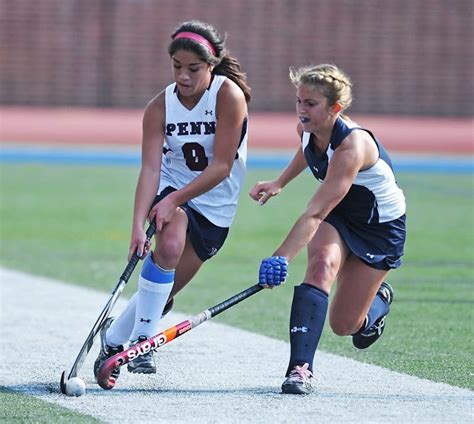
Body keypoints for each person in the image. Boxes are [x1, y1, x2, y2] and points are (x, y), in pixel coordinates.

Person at [94, 20, 251, 382]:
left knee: (159, 295)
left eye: (193, 69)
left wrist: (175, 200)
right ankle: (143, 345)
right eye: (177, 67)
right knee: (169, 241)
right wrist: (138, 225)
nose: (183, 76)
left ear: (211, 65)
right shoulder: (159, 107)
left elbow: (223, 166)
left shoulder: (228, 96)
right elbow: (150, 169)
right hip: (173, 189)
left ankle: (114, 339)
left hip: (216, 205)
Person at [250, 64, 406, 395]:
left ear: (334, 108)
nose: (302, 110)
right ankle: (300, 370)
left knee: (345, 325)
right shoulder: (307, 128)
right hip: (341, 214)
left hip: (379, 227)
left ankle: (378, 302)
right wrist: (280, 182)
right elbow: (308, 151)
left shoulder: (352, 146)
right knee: (320, 265)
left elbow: (315, 212)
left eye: (311, 104)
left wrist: (281, 257)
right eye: (299, 101)